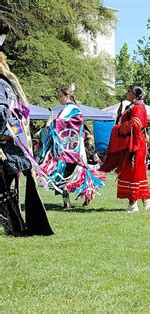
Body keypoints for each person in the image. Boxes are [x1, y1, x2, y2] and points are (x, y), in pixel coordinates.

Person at [0, 48, 53, 236]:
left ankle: (15, 226)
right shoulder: (9, 83)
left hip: (6, 143)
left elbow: (1, 112)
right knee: (6, 187)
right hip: (14, 142)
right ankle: (17, 225)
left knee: (5, 188)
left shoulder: (1, 84)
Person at [39, 86, 105, 208]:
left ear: (67, 96)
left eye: (60, 96)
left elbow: (69, 123)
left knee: (77, 171)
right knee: (64, 173)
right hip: (67, 148)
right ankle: (68, 201)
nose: (59, 99)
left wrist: (52, 122)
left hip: (72, 148)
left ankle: (87, 194)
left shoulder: (72, 109)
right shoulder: (68, 109)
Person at [101, 85, 150, 212]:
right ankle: (147, 201)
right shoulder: (133, 106)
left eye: (129, 91)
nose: (127, 93)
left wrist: (117, 128)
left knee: (133, 171)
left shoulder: (138, 108)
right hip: (133, 142)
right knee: (137, 171)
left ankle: (133, 204)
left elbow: (135, 124)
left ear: (135, 94)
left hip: (135, 144)